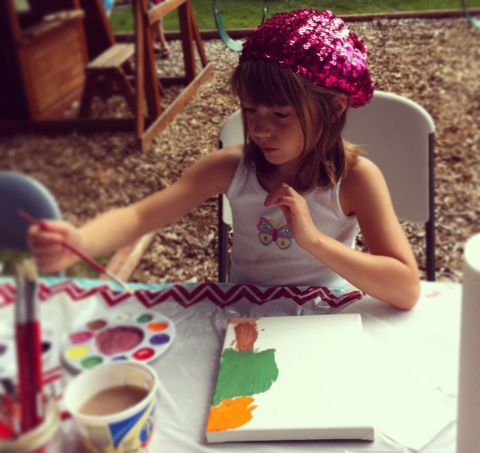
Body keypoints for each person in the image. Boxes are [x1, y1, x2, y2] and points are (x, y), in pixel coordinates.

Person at [28, 9, 420, 310]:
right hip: (246, 315)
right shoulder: (230, 168)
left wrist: (314, 240)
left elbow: (405, 289)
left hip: (327, 318)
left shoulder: (355, 179)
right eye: (250, 110)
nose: (260, 130)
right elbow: (138, 217)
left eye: (280, 114)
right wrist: (80, 240)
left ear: (334, 108)